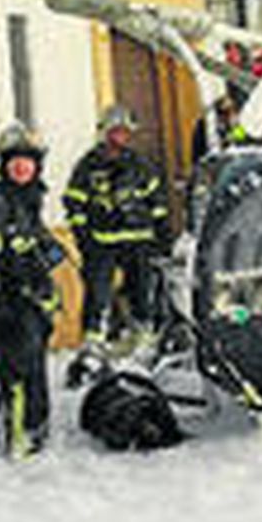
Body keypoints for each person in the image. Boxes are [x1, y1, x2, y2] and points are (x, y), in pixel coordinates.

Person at [0, 122, 64, 458]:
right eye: (15, 160)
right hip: (5, 305)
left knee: (34, 372)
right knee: (17, 378)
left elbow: (34, 241)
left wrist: (48, 251)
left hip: (30, 302)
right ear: (3, 165)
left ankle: (37, 435)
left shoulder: (27, 200)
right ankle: (19, 443)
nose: (22, 166)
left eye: (28, 160)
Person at [65, 104, 168, 353]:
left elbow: (157, 202)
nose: (119, 137)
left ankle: (141, 335)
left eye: (123, 132)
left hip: (138, 240)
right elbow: (73, 202)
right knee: (98, 292)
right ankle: (94, 341)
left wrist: (161, 234)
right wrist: (83, 236)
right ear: (103, 133)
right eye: (114, 132)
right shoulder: (88, 167)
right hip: (102, 242)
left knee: (141, 291)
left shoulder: (139, 165)